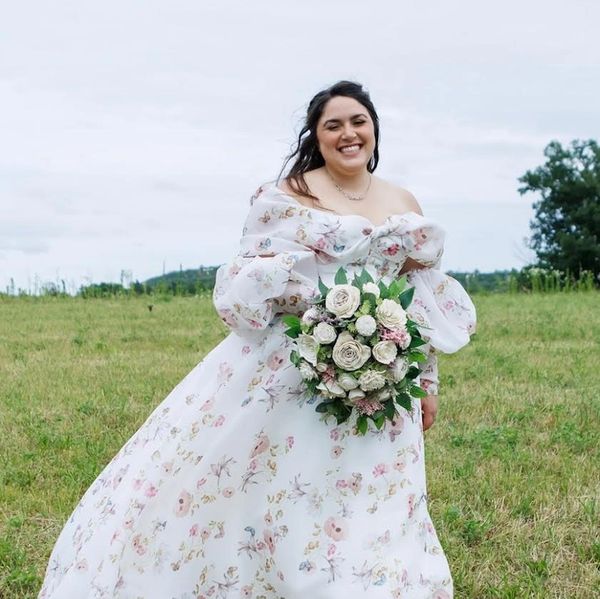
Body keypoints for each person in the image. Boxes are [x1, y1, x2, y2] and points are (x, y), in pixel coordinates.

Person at [39, 80, 476, 599]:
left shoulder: (403, 201)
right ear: (316, 135)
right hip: (297, 364)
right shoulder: (292, 194)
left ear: (374, 128)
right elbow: (252, 276)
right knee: (286, 488)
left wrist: (425, 380)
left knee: (376, 495)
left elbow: (416, 296)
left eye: (357, 121)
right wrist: (320, 316)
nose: (348, 133)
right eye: (332, 125)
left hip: (385, 373)